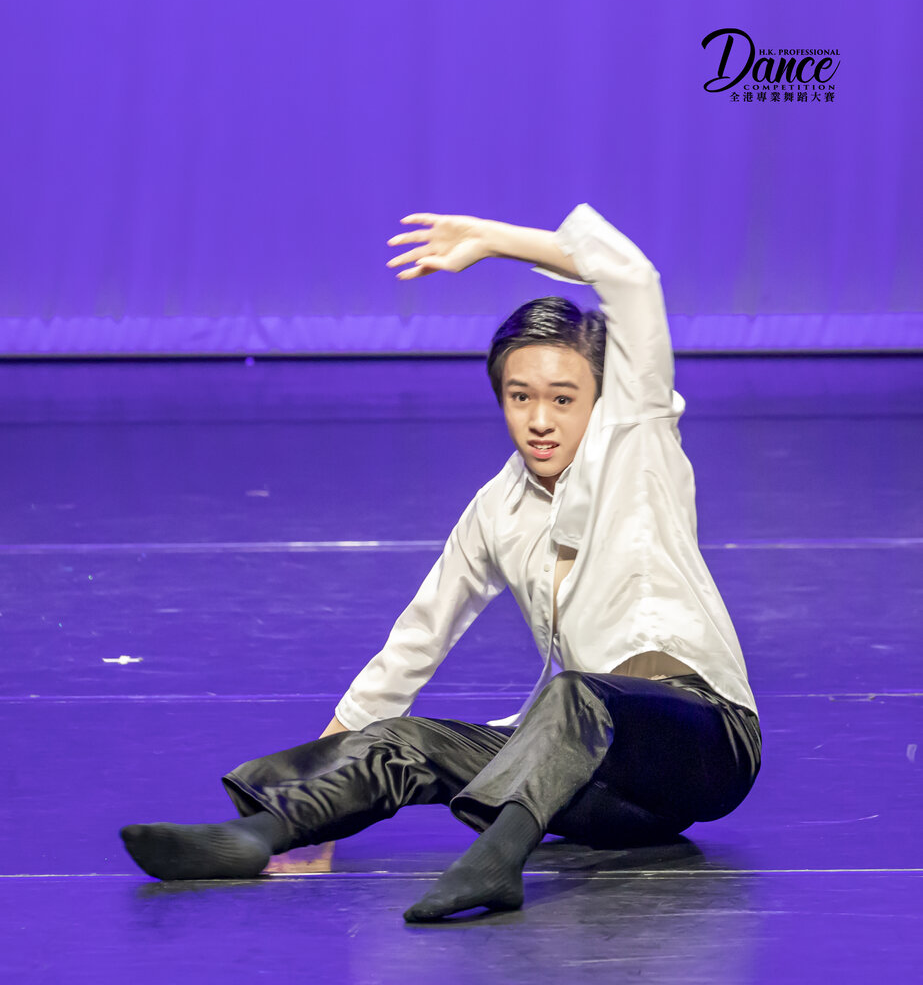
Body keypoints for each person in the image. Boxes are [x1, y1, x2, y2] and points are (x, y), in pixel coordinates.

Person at [120, 202, 762, 922]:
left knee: (574, 694)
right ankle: (253, 838)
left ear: (603, 398)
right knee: (401, 740)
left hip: (707, 748)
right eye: (520, 397)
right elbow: (415, 643)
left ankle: (496, 862)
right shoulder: (496, 509)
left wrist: (493, 241)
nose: (539, 420)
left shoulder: (638, 441)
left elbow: (632, 278)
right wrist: (313, 805)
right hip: (600, 787)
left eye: (562, 398)